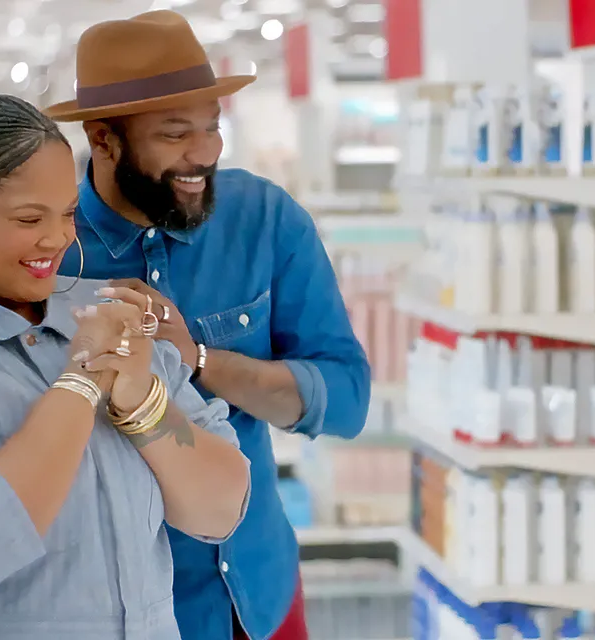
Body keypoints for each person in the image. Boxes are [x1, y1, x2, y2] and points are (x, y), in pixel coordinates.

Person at [0, 94, 251, 640]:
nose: (57, 239)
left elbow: (222, 508)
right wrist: (79, 383)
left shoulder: (112, 314)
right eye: (29, 218)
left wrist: (145, 405)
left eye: (69, 213)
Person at [45, 11, 371, 640]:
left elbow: (348, 400)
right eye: (174, 134)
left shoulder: (265, 219)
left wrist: (197, 361)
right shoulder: (51, 249)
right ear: (103, 138)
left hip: (259, 592)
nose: (205, 152)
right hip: (128, 614)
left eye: (212, 127)